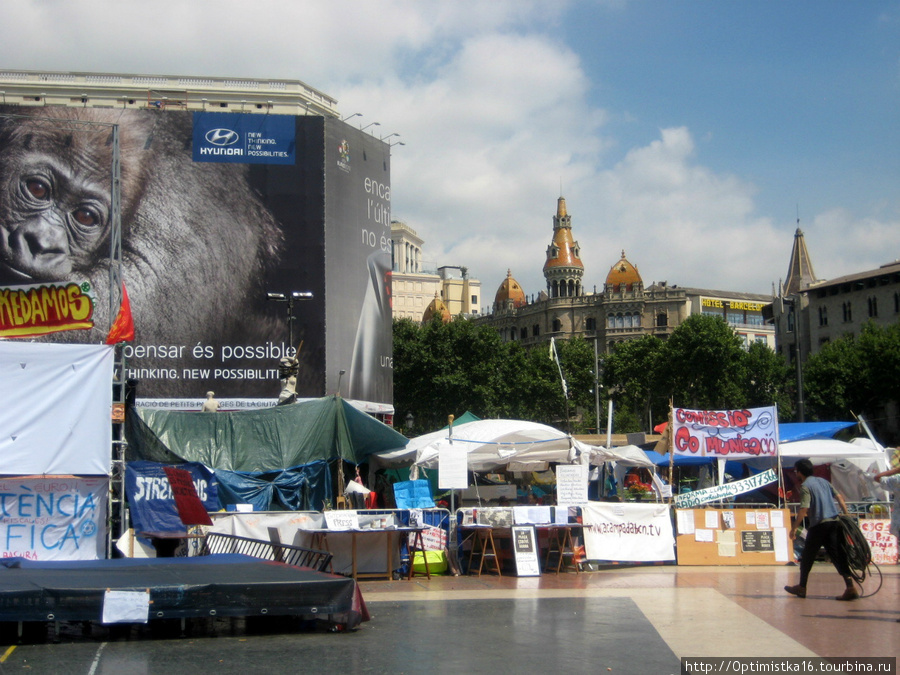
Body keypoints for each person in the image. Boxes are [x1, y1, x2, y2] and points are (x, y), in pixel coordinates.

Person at [785, 458, 858, 601]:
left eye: (796, 471)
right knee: (838, 555)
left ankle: (802, 587)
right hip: (834, 522)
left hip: (819, 525)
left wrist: (794, 528)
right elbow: (839, 497)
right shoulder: (824, 482)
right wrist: (846, 515)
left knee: (807, 557)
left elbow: (804, 509)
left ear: (800, 472)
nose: (796, 474)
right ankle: (850, 587)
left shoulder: (806, 486)